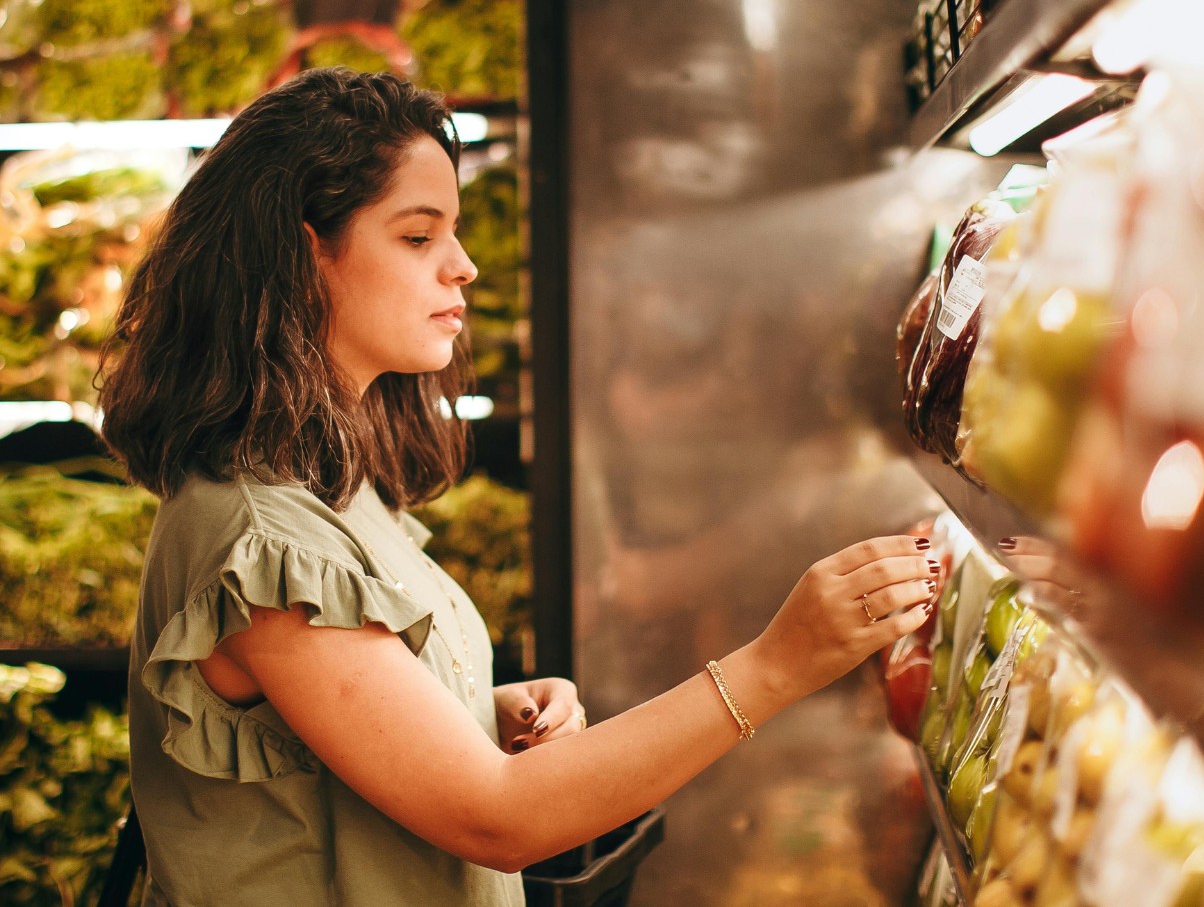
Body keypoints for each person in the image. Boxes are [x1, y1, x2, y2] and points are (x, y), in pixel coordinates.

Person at [97, 68, 938, 907]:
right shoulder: (264, 541)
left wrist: (476, 713)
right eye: (418, 237)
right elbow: (498, 818)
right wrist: (779, 664)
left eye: (453, 233)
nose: (462, 267)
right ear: (303, 253)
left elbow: (321, 736)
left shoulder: (328, 483)